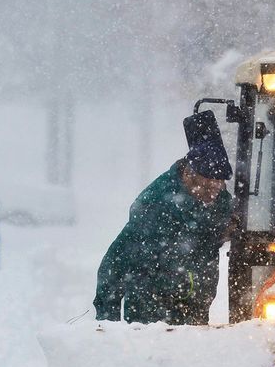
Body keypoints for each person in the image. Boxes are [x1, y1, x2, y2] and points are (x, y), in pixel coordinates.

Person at [93, 111, 233, 324]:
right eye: (206, 187)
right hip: (150, 317)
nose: (212, 195)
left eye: (218, 187)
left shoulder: (218, 199)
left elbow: (214, 230)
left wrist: (228, 228)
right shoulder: (155, 204)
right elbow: (115, 262)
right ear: (189, 175)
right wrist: (107, 321)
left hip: (194, 314)